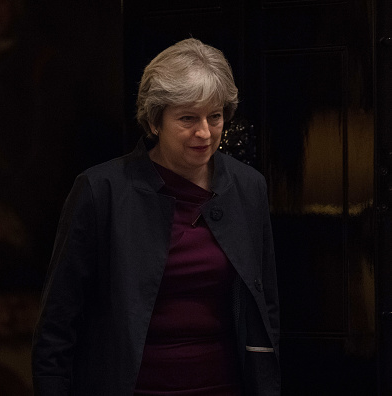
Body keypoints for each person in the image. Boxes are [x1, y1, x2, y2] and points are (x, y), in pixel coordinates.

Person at [32, 38, 280, 395]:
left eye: (215, 116)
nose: (205, 133)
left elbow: (265, 307)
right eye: (187, 118)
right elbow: (57, 322)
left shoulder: (249, 187)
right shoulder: (101, 190)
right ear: (154, 121)